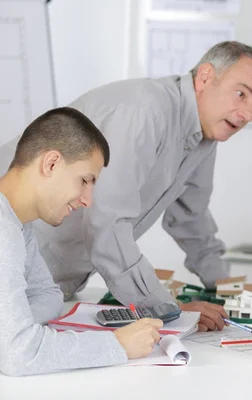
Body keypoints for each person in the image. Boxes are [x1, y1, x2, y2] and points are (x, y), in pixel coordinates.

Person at [0, 41, 252, 332]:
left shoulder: (203, 137)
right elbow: (108, 223)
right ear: (204, 77)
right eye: (241, 94)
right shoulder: (145, 112)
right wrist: (165, 308)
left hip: (50, 285)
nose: (247, 114)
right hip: (14, 262)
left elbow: (192, 220)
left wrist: (226, 290)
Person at [0, 107, 163, 376]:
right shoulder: (3, 230)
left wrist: (12, 328)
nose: (87, 200)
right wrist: (117, 344)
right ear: (51, 163)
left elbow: (49, 295)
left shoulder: (19, 224)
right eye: (85, 180)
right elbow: (19, 354)